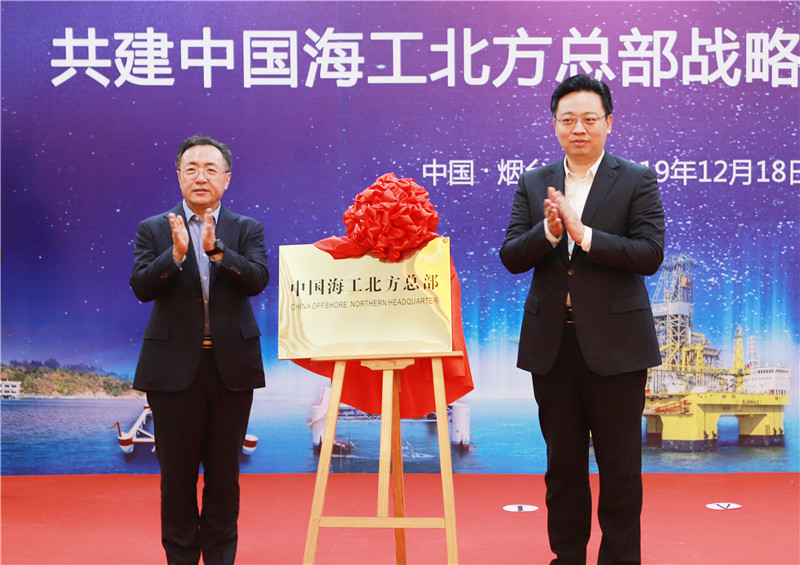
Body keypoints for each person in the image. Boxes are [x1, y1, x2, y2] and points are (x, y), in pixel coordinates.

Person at [499, 75, 665, 564]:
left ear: (609, 122)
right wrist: (549, 233)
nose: (579, 129)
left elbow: (649, 254)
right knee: (563, 467)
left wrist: (583, 234)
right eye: (568, 119)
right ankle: (566, 556)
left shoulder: (636, 179)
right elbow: (511, 255)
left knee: (620, 468)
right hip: (554, 346)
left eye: (590, 119)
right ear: (554, 125)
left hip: (618, 346)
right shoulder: (534, 182)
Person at [131, 135, 269, 565]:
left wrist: (217, 251)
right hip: (172, 371)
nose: (201, 177)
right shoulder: (154, 228)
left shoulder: (246, 228)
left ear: (227, 179)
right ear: (179, 177)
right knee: (176, 479)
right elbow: (141, 287)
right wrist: (175, 256)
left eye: (211, 169)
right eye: (191, 169)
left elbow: (257, 280)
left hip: (232, 370)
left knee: (224, 478)